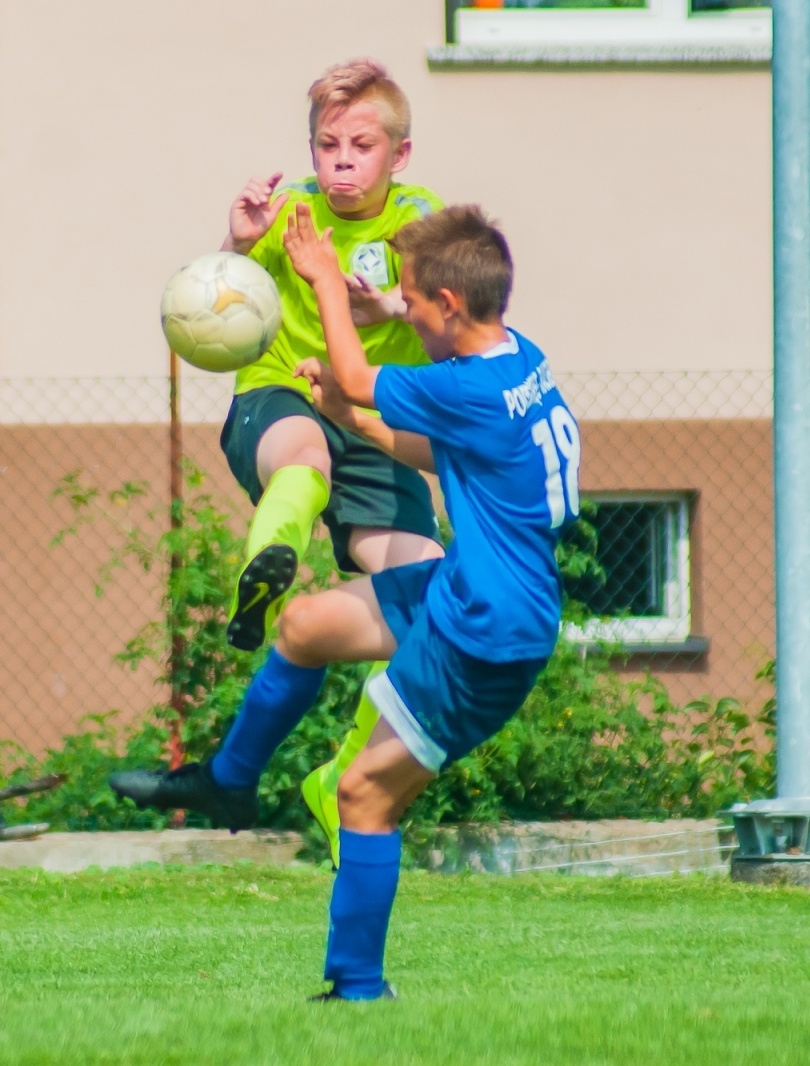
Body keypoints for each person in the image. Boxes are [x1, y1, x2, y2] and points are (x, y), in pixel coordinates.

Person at [118, 202, 582, 1001]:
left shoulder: (471, 383)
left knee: (361, 796)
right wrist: (343, 417)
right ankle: (230, 781)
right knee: (302, 625)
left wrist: (326, 282)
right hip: (478, 590)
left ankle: (359, 991)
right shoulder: (518, 360)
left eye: (409, 298)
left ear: (450, 306)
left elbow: (361, 372)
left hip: (482, 631)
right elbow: (439, 452)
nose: (401, 307)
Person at [184, 59, 448, 859]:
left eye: (360, 145)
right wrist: (234, 244)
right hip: (283, 399)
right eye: (326, 144)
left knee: (433, 601)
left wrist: (391, 304)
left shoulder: (420, 219)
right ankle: (268, 563)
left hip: (370, 421)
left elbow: (442, 298)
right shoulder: (290, 211)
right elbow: (215, 305)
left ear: (398, 157)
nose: (340, 160)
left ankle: (340, 775)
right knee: (304, 457)